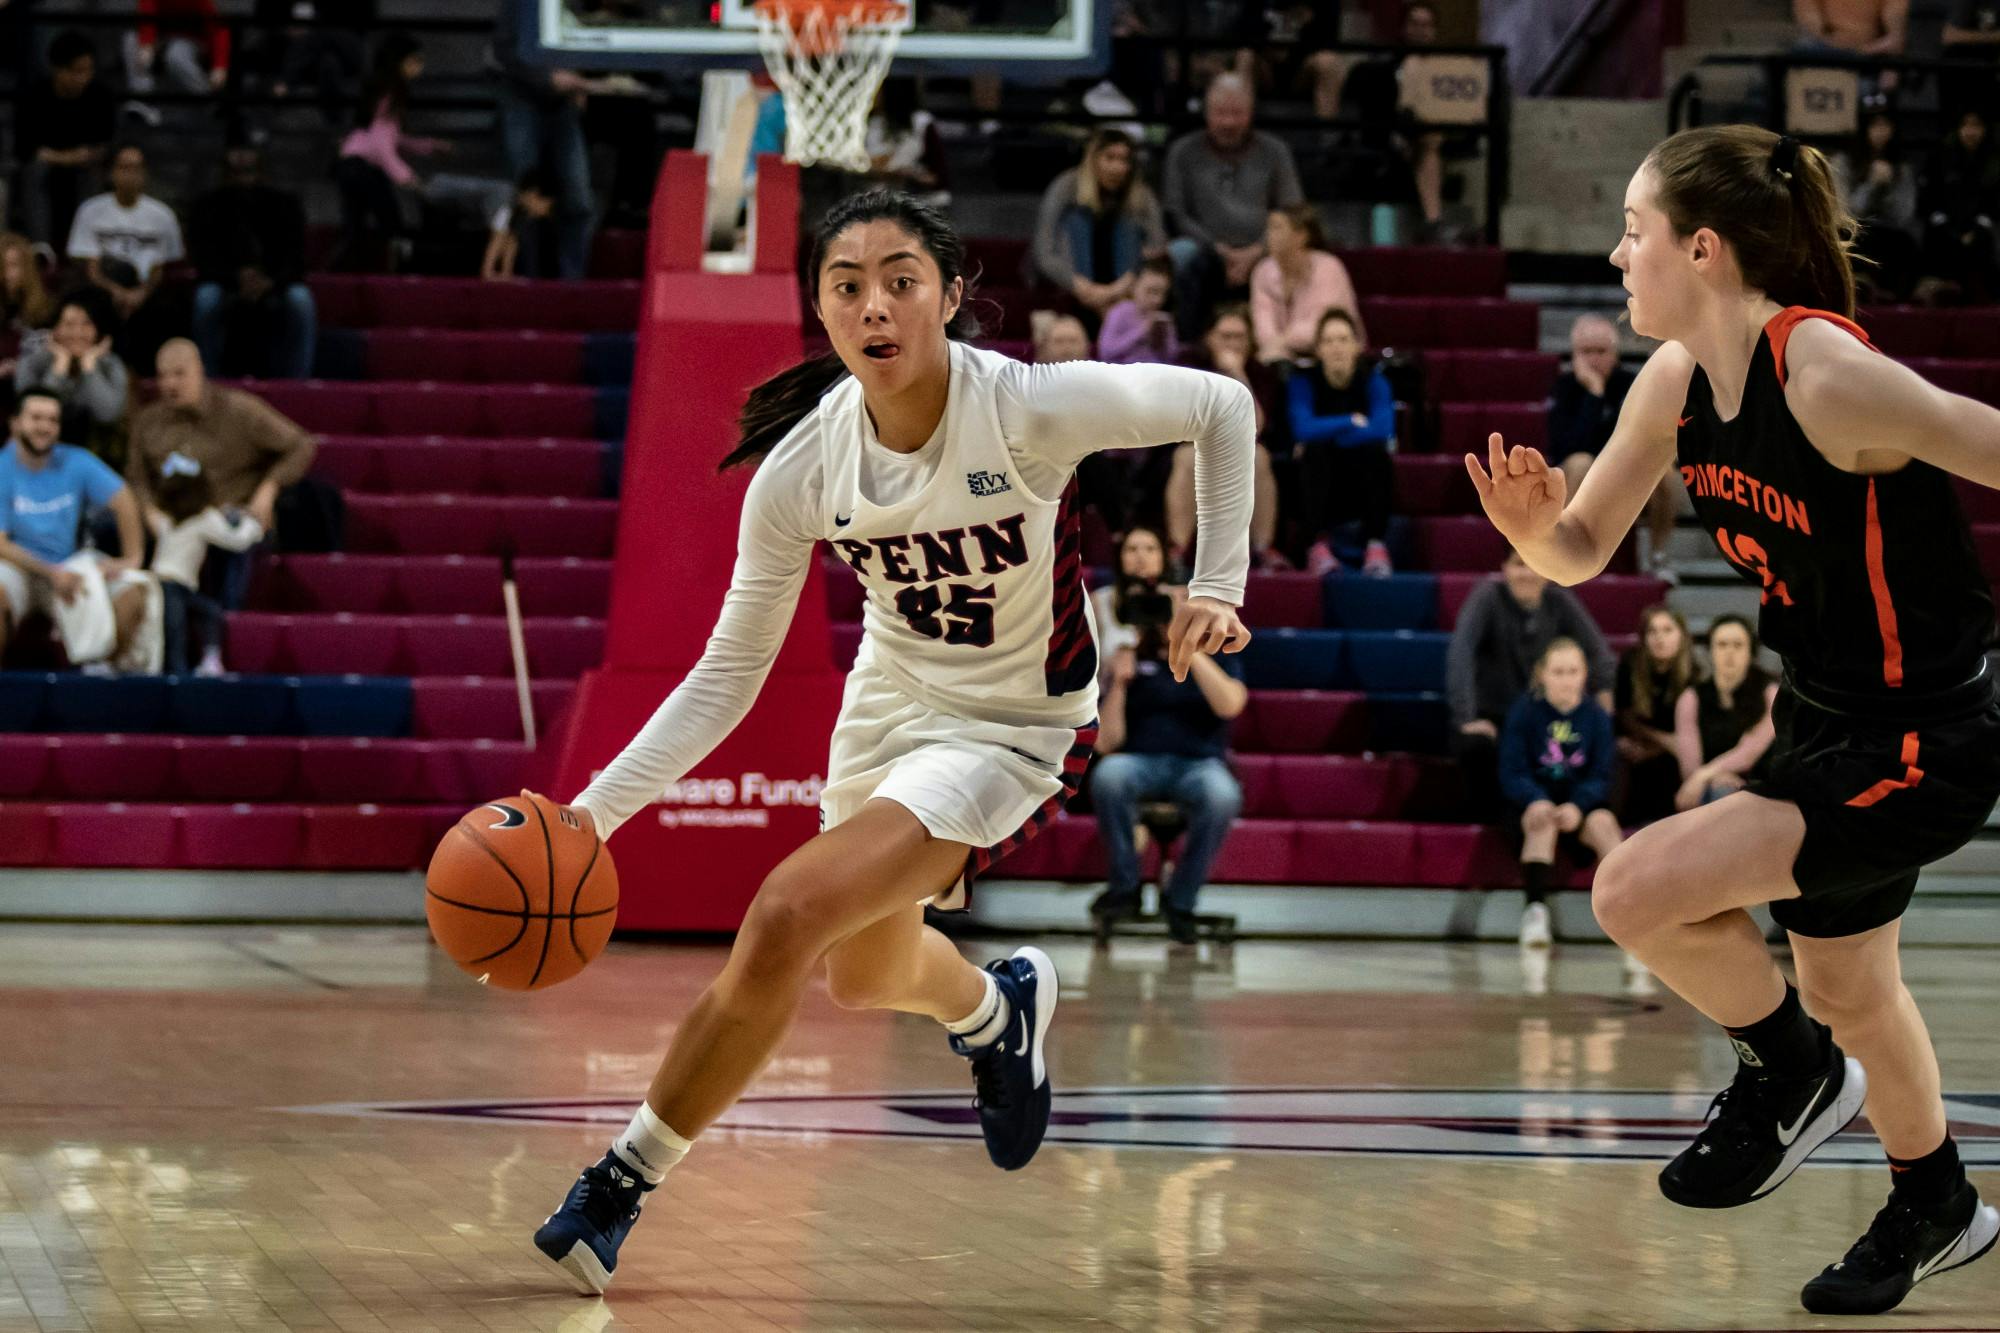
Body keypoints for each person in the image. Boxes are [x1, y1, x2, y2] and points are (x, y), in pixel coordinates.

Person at [525, 189, 1255, 1295]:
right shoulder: (800, 473)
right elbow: (727, 673)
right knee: (862, 979)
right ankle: (993, 1008)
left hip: (1014, 725)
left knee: (782, 914)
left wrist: (1218, 583)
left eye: (901, 279)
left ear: (952, 298)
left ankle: (621, 1181)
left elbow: (1221, 405)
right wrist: (592, 816)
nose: (876, 304)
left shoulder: (1020, 408)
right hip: (891, 703)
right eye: (847, 285)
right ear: (818, 312)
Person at [1466, 124, 2000, 1315]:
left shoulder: (1823, 376)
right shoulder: (1670, 382)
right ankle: (1938, 1200)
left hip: (1922, 737)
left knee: (1629, 889)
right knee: (1852, 986)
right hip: (1818, 713)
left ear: (1699, 249)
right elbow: (1580, 549)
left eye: (1630, 230)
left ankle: (1792, 1075)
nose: (1614, 255)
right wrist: (1524, 530)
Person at [1089, 556, 1249, 945]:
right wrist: (1119, 683)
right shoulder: (1131, 652)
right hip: (1139, 761)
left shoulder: (1218, 650)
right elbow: (1106, 743)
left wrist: (1188, 648)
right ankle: (1125, 886)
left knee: (1222, 794)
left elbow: (1231, 704)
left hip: (1198, 764)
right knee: (1109, 776)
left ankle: (1182, 900)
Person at [125, 340, 316, 609]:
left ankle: (230, 626)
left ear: (200, 371)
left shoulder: (240, 410)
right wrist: (147, 510)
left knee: (239, 540)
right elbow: (136, 476)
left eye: (179, 374)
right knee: (110, 525)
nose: (170, 384)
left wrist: (269, 488)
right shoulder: (148, 421)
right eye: (163, 375)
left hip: (228, 514)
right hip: (171, 519)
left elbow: (300, 445)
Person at [1446, 546, 1616, 821]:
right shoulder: (1488, 597)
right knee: (1475, 745)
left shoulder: (1559, 599)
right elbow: (1460, 653)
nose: (1527, 574)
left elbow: (1598, 652)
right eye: (1518, 564)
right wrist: (1466, 717)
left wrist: (1604, 697)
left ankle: (1574, 817)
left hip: (1538, 717)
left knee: (1596, 741)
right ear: (1505, 569)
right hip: (1494, 714)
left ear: (1548, 572)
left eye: (1533, 565)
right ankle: (1494, 823)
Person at [1498, 637, 1630, 967]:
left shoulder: (1597, 717)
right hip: (1537, 802)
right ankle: (1535, 912)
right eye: (1558, 671)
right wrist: (1537, 798)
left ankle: (1630, 913)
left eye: (1573, 671)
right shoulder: (1525, 712)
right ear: (1542, 674)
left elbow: (1602, 775)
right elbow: (1512, 770)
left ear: (1584, 675)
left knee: (1604, 823)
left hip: (1579, 806)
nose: (1566, 679)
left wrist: (1579, 806)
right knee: (1539, 820)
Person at [0, 387, 149, 667]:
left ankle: (99, 686)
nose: (45, 426)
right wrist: (52, 573)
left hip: (68, 564)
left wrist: (133, 557)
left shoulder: (75, 460)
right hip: (17, 567)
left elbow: (124, 499)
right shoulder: (2, 467)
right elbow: (1, 544)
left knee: (132, 593)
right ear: (16, 422)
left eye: (52, 420)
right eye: (36, 417)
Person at [1162, 73, 1305, 343]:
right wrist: (1217, 249)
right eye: (1220, 113)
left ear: (1250, 112)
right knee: (1182, 255)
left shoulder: (1276, 151)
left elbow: (1291, 211)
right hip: (1204, 247)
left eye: (1237, 113)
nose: (1228, 122)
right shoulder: (1182, 152)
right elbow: (1176, 213)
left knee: (1297, 252)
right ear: (1206, 112)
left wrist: (1258, 250)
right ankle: (1187, 343)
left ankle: (1278, 341)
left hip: (1263, 248)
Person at [1546, 315, 1677, 572]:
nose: (1594, 359)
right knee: (1580, 461)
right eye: (1586, 352)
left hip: (1625, 470)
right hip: (1580, 473)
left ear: (1615, 354)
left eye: (1601, 351)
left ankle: (1657, 554)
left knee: (1667, 472)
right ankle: (1562, 550)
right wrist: (1594, 394)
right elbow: (1570, 445)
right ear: (1574, 355)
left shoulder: (1632, 384)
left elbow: (1639, 439)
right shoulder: (1563, 388)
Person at [1169, 305, 1286, 569]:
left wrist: (1238, 375)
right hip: (1194, 442)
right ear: (1209, 338)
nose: (1232, 344)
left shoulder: (1260, 373)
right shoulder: (1190, 366)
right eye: (1225, 336)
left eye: (1239, 337)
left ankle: (1263, 548)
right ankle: (1178, 550)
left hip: (1241, 448)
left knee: (1260, 458)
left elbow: (1256, 426)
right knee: (1186, 457)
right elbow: (1180, 419)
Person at [188, 142, 317, 380]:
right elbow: (202, 258)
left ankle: (297, 381)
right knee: (206, 299)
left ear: (261, 170)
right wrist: (236, 277)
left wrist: (269, 280)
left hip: (275, 282)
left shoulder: (284, 204)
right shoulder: (207, 205)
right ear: (225, 173)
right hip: (223, 280)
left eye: (249, 170)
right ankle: (207, 379)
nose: (243, 177)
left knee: (301, 300)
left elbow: (295, 257)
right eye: (236, 171)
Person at [488, 0, 595, 280]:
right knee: (524, 198)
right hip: (521, 100)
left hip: (563, 107)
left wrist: (578, 78)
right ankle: (524, 280)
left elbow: (582, 37)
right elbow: (504, 49)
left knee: (578, 199)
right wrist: (547, 78)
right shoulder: (520, 5)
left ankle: (573, 283)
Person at [1289, 309, 1395, 577]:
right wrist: (1350, 420)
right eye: (1328, 340)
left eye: (1343, 339)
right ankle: (1316, 546)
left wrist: (1325, 433)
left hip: (1360, 479)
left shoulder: (1374, 380)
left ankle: (1375, 545)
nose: (1336, 347)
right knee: (1315, 452)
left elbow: (1383, 429)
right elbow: (1302, 428)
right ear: (1318, 349)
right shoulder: (1303, 382)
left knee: (1375, 452)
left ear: (1357, 346)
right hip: (1318, 478)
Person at [1029, 128, 1168, 320]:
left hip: (1124, 288)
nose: (1118, 167)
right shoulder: (1065, 187)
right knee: (1077, 220)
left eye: (1124, 160)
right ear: (1093, 159)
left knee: (1129, 221)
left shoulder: (1142, 196)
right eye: (1110, 158)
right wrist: (1080, 286)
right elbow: (1044, 251)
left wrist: (1117, 289)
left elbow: (1156, 248)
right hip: (1072, 285)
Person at [66, 144, 184, 366]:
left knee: (167, 311)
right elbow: (91, 268)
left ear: (146, 173)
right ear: (111, 172)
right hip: (104, 286)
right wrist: (118, 292)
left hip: (147, 290)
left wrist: (141, 293)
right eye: (124, 167)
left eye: (137, 168)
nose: (131, 174)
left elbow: (161, 268)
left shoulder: (162, 215)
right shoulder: (91, 210)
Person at [335, 34, 446, 270]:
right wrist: (409, 179)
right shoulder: (390, 93)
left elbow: (391, 137)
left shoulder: (385, 91)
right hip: (360, 167)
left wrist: (430, 146)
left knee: (355, 230)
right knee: (392, 226)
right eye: (416, 61)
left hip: (350, 165)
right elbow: (381, 146)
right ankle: (395, 278)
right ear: (400, 62)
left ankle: (338, 277)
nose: (420, 67)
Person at [14, 30, 115, 252]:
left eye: (88, 71)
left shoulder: (100, 97)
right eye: (76, 72)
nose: (83, 78)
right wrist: (67, 157)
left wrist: (75, 156)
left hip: (83, 170)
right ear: (57, 69)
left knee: (93, 172)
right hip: (47, 171)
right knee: (34, 171)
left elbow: (102, 147)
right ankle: (41, 248)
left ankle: (85, 248)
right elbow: (25, 149)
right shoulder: (35, 96)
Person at [1673, 613, 1778, 811]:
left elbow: (1751, 751)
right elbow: (1689, 769)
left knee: (1724, 794)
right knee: (1718, 792)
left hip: (1762, 789)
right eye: (1722, 645)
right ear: (1710, 651)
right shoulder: (1691, 698)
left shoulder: (1770, 693)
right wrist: (1712, 778)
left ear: (1751, 652)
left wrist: (1705, 774)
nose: (1729, 653)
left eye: (1738, 645)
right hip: (1708, 790)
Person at [14, 291, 129, 465]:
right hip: (38, 455)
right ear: (55, 329)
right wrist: (59, 368)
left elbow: (107, 414)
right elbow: (36, 414)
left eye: (86, 324)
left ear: (98, 329)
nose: (77, 333)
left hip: (97, 459)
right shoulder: (32, 364)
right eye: (68, 324)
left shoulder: (111, 365)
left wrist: (89, 368)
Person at [1250, 204, 1364, 364]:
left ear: (1301, 235)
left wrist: (1280, 343)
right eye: (1269, 228)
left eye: (1277, 228)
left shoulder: (1328, 267)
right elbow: (1262, 323)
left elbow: (1319, 325)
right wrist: (1274, 347)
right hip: (1278, 355)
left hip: (1329, 351)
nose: (1269, 235)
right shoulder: (1263, 270)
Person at [1613, 603, 1694, 826]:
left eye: (1667, 630)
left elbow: (1692, 734)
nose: (1660, 638)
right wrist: (1659, 742)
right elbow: (1624, 715)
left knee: (1670, 765)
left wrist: (1660, 747)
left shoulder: (1696, 671)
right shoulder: (1630, 663)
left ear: (1682, 635)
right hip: (1639, 746)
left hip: (1677, 755)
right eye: (1652, 631)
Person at [1834, 113, 1921, 301]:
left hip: (1889, 229)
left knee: (1904, 243)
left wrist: (1887, 187)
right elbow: (1847, 210)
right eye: (1875, 126)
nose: (1880, 132)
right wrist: (1871, 184)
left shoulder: (1902, 167)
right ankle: (1861, 286)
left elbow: (1904, 214)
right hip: (1855, 228)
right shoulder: (1845, 161)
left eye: (1885, 126)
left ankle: (1893, 298)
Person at [1918, 109, 2000, 303]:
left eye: (1976, 126)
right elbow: (1929, 199)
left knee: (1981, 243)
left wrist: (1978, 227)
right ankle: (1941, 289)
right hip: (1943, 227)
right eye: (1966, 125)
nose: (1971, 132)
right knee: (1939, 239)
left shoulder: (1994, 160)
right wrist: (1949, 228)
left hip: (1983, 227)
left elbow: (1994, 202)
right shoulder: (1940, 158)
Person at [1096, 257, 1180, 366]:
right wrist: (1141, 331)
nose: (1157, 300)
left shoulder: (1161, 318)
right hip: (1124, 373)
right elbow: (1105, 352)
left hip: (1155, 373)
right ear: (1134, 287)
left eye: (1162, 293)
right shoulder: (1119, 312)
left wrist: (1162, 339)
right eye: (1151, 291)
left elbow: (1171, 357)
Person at [0, 233, 54, 337]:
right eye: (2, 266)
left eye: (13, 265)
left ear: (27, 267)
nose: (7, 273)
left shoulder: (45, 306)